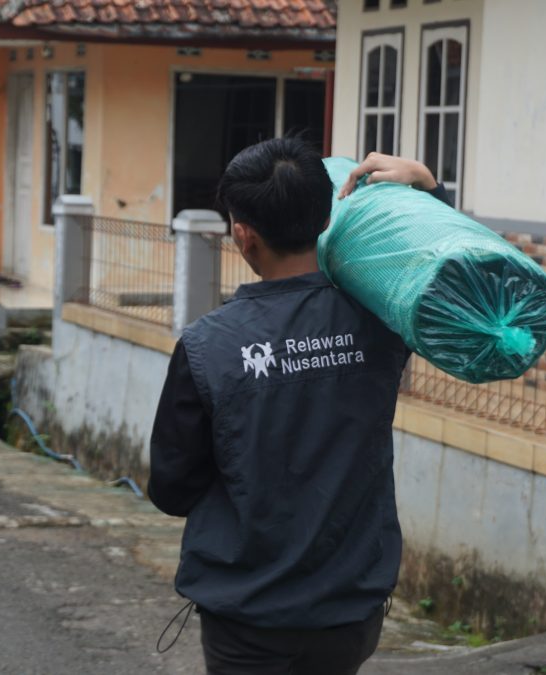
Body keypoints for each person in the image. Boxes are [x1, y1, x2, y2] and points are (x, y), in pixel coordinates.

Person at [148, 143, 454, 675]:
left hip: (248, 614)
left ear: (242, 234)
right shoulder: (379, 320)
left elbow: (172, 490)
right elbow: (449, 282)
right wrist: (431, 189)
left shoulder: (208, 346)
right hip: (349, 609)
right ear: (326, 215)